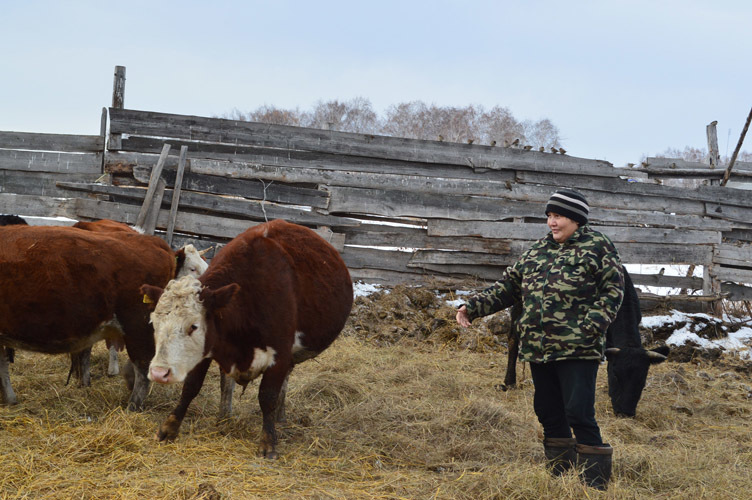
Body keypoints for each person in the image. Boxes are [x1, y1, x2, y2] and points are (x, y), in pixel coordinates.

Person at [456, 188, 624, 490]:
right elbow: (508, 286)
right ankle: (560, 475)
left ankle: (593, 485)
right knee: (547, 410)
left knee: (579, 412)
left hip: (577, 347)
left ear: (575, 218)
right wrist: (474, 306)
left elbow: (613, 291)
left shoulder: (598, 247)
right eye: (549, 216)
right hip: (537, 347)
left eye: (557, 216)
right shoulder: (537, 251)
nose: (551, 222)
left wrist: (592, 325)